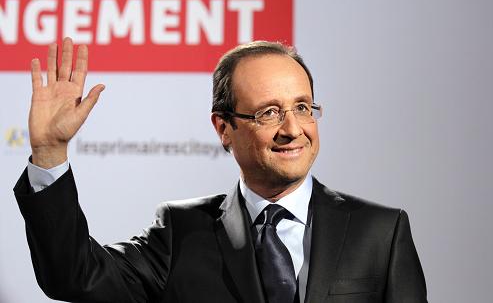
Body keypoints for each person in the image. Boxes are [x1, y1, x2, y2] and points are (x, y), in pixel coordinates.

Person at [14, 37, 427, 303]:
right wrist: (49, 152)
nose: (292, 129)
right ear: (223, 128)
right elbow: (74, 276)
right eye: (269, 113)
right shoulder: (181, 231)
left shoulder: (381, 232)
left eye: (303, 107)